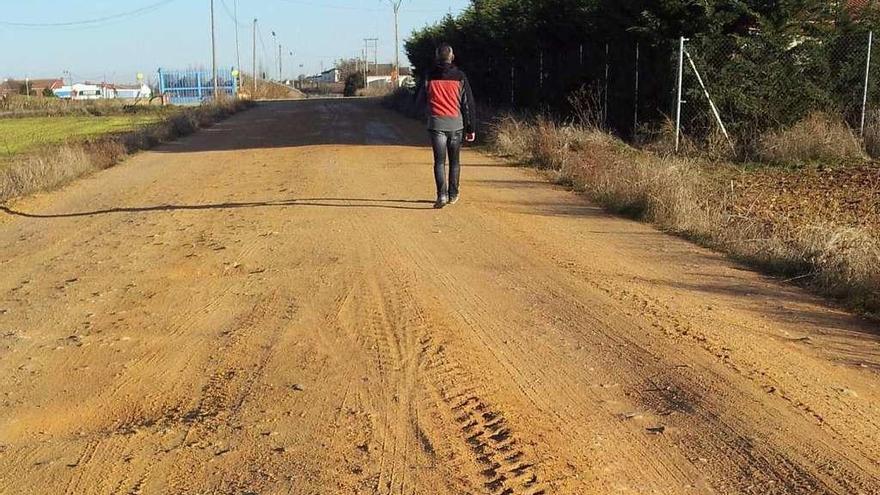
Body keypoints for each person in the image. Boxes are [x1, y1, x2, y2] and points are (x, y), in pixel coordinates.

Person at [419, 43, 477, 209]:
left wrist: (427, 113)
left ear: (437, 57)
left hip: (436, 123)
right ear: (452, 57)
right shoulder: (460, 76)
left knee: (439, 162)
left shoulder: (429, 76)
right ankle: (453, 194)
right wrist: (471, 127)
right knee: (455, 162)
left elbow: (420, 99)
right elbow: (468, 104)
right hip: (456, 125)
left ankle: (441, 195)